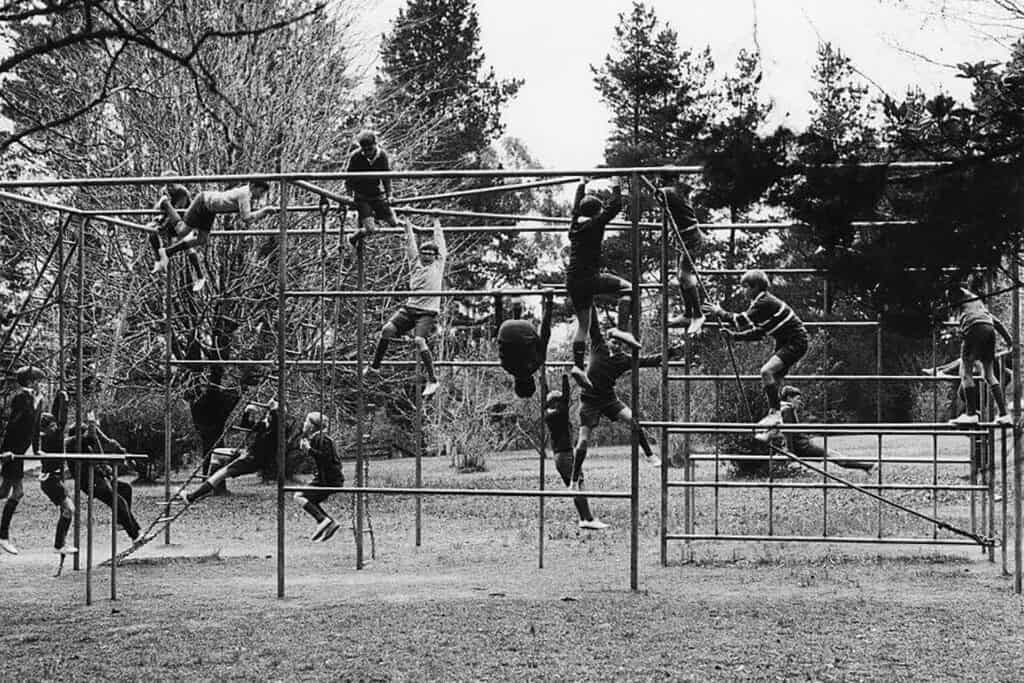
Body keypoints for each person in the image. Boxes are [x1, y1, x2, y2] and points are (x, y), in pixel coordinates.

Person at [702, 269, 808, 440]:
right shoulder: (760, 304)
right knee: (775, 384)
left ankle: (775, 415)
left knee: (766, 372)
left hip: (795, 342)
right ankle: (776, 426)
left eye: (745, 287)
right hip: (786, 342)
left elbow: (739, 320)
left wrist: (719, 311)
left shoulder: (764, 302)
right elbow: (758, 333)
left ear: (756, 287)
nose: (743, 291)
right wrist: (734, 336)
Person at [570, 331, 683, 482]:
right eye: (613, 342)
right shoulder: (598, 347)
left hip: (609, 399)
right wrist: (588, 307)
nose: (616, 345)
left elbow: (648, 361)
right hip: (589, 400)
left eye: (619, 344)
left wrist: (670, 352)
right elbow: (592, 323)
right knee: (583, 440)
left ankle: (649, 455)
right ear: (608, 341)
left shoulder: (624, 359)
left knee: (633, 420)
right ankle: (574, 477)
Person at [565, 177, 641, 390]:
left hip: (573, 280)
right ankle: (621, 330)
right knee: (629, 289)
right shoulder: (595, 223)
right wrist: (617, 184)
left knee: (583, 326)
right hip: (589, 278)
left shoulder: (574, 226)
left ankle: (578, 367)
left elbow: (575, 207)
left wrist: (582, 185)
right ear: (597, 212)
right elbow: (615, 205)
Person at [364, 219, 447, 398]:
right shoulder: (415, 265)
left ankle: (433, 379)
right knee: (386, 330)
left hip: (427, 312)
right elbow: (410, 243)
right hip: (410, 308)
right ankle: (375, 367)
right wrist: (408, 224)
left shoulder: (438, 265)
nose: (426, 255)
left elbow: (440, 242)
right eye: (423, 252)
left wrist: (436, 221)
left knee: (418, 340)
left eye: (430, 253)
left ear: (435, 256)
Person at [151, 180, 277, 290]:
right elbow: (247, 218)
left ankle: (167, 252)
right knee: (182, 230)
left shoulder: (246, 193)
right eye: (261, 192)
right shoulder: (244, 194)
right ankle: (165, 203)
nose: (260, 196)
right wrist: (264, 211)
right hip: (203, 202)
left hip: (210, 209)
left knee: (202, 239)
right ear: (253, 187)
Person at [180, 400, 279, 504]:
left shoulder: (277, 429)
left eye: (269, 414)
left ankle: (192, 496)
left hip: (253, 460)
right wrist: (247, 412)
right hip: (247, 454)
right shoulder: (265, 426)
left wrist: (273, 410)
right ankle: (208, 487)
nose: (266, 415)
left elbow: (276, 425)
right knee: (217, 453)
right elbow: (245, 425)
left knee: (220, 475)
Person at [65, 416, 143, 544]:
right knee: (118, 502)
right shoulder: (73, 443)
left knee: (125, 489)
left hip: (97, 478)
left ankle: (121, 522)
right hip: (90, 482)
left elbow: (97, 451)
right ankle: (134, 535)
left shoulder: (85, 445)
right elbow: (89, 436)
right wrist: (91, 420)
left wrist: (104, 468)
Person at [944, 282, 1013, 425]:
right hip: (989, 329)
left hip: (974, 328)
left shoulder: (960, 297)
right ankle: (1004, 414)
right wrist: (1010, 341)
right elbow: (997, 322)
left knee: (965, 372)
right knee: (989, 374)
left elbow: (952, 286)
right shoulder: (978, 304)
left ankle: (970, 414)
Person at [546, 374, 606, 530]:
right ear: (558, 402)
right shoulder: (561, 411)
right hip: (565, 455)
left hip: (559, 457)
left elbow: (551, 396)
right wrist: (565, 376)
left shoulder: (548, 412)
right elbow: (566, 395)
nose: (562, 396)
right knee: (578, 484)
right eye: (559, 396)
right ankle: (589, 519)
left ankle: (583, 518)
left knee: (574, 487)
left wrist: (543, 380)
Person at [773, 386, 873, 472]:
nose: (800, 401)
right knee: (833, 455)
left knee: (833, 455)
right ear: (789, 398)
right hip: (803, 447)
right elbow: (788, 434)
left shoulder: (784, 409)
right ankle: (867, 466)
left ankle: (866, 466)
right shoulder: (787, 410)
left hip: (801, 446)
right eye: (798, 399)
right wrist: (791, 457)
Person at [0, 365, 44, 555]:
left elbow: (34, 428)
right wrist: (5, 451)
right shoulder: (21, 398)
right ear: (30, 381)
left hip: (18, 451)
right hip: (12, 451)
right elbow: (12, 425)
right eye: (37, 381)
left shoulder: (36, 400)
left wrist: (37, 450)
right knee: (17, 493)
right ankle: (3, 537)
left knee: (3, 492)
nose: (40, 385)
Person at [658, 172, 709, 336]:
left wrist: (656, 186)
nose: (661, 182)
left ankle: (698, 315)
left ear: (672, 179)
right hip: (685, 237)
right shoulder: (677, 191)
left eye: (664, 179)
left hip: (691, 237)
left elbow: (660, 193)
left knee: (684, 275)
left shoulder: (672, 191)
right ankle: (688, 314)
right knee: (680, 275)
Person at [293, 412, 344, 542]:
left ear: (312, 426)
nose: (303, 424)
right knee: (311, 500)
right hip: (329, 478)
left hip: (328, 480)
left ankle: (322, 520)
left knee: (299, 496)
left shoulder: (320, 439)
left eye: (306, 421)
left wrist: (309, 450)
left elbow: (325, 458)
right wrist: (308, 449)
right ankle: (330, 523)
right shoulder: (319, 438)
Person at [346, 130, 403, 244]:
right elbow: (349, 179)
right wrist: (349, 196)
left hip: (377, 194)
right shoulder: (356, 156)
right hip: (362, 196)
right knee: (370, 229)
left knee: (394, 222)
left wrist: (389, 195)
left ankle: (378, 216)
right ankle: (353, 238)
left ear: (375, 145)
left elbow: (386, 177)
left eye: (370, 149)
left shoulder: (382, 156)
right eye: (364, 150)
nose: (367, 153)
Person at [146, 176, 203, 289]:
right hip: (170, 223)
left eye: (172, 185)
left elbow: (176, 213)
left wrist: (164, 220)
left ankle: (200, 276)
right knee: (150, 229)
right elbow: (158, 208)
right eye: (167, 185)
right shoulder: (165, 191)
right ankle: (158, 260)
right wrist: (160, 213)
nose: (169, 187)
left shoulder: (182, 192)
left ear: (177, 183)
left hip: (183, 223)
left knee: (188, 247)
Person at [497, 294, 554, 398]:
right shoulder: (506, 367)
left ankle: (516, 305)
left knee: (533, 341)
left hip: (526, 327)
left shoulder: (538, 362)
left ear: (532, 381)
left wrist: (549, 302)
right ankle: (505, 301)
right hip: (506, 327)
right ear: (515, 383)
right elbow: (501, 342)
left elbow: (545, 333)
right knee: (506, 340)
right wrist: (497, 301)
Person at [38, 410, 77, 555]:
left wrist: (60, 397)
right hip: (50, 480)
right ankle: (59, 545)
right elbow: (62, 421)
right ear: (44, 429)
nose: (55, 428)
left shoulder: (51, 437)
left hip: (54, 479)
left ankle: (60, 544)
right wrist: (64, 400)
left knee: (68, 509)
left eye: (55, 425)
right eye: (51, 426)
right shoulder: (49, 438)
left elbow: (59, 419)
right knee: (69, 509)